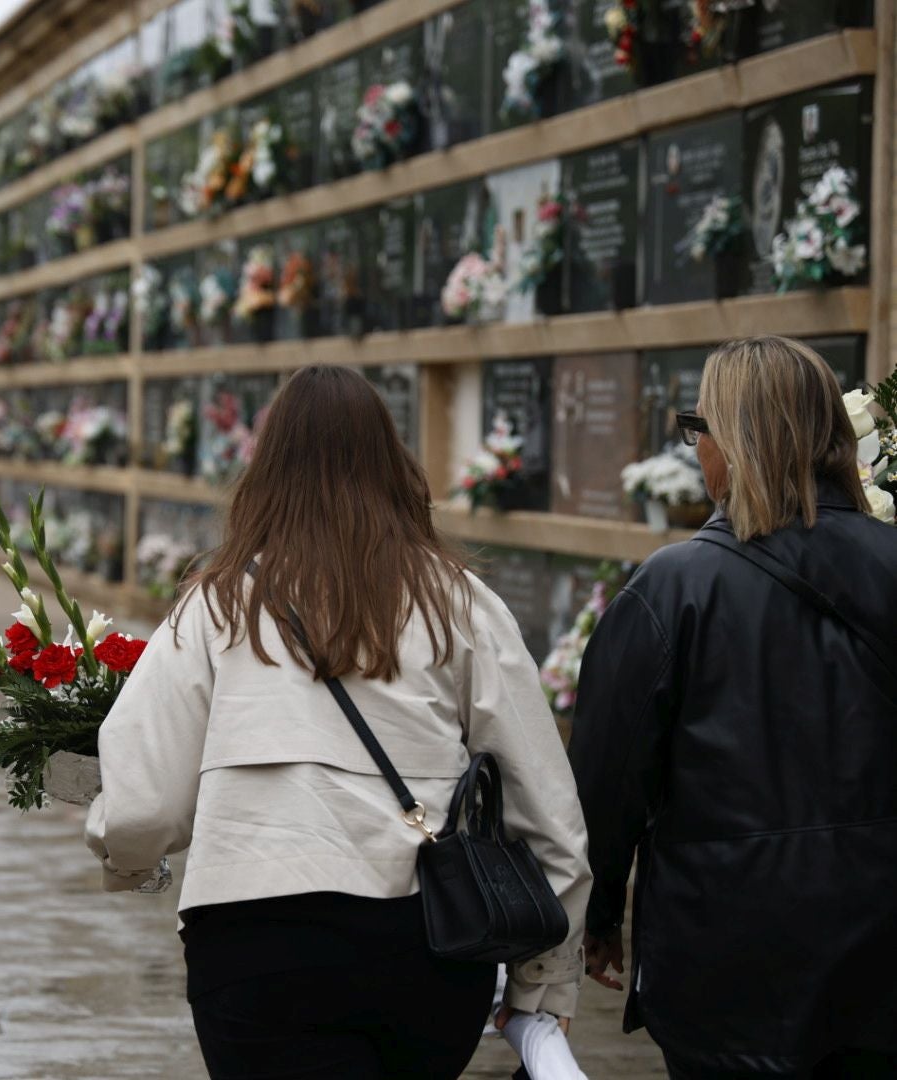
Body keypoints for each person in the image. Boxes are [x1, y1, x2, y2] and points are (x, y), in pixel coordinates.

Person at [85, 366, 590, 1080]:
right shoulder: (460, 602)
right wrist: (544, 983)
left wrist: (131, 862)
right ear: (393, 463)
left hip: (253, 942)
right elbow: (550, 815)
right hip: (425, 945)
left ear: (265, 471)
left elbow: (143, 804)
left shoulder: (215, 606)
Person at [570, 336, 897, 1079]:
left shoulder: (671, 589)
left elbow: (606, 776)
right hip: (881, 958)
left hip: (728, 959)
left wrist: (596, 916)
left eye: (700, 429)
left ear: (739, 440)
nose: (696, 452)